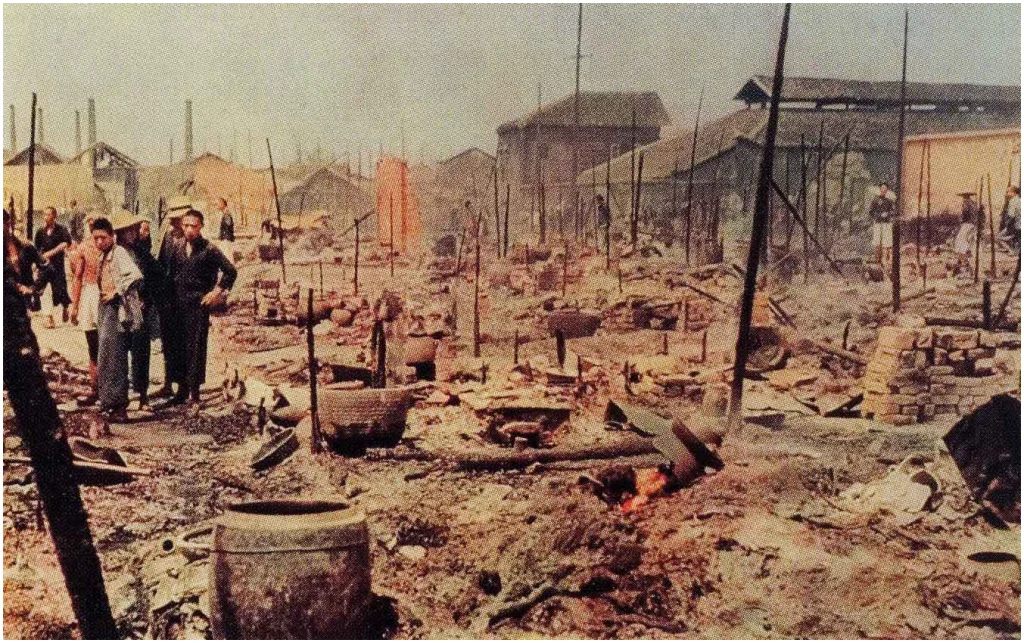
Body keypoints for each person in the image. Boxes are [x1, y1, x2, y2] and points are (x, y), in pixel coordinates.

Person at [165, 208, 237, 408]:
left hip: (198, 305)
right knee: (178, 347)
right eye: (186, 225)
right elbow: (170, 276)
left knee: (196, 347)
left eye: (193, 226)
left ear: (201, 227)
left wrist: (216, 292)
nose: (189, 230)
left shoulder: (209, 249)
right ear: (181, 225)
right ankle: (181, 391)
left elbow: (231, 271)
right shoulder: (177, 247)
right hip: (178, 304)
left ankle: (194, 394)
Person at [93, 216, 144, 422]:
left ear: (112, 236)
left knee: (115, 357)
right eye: (95, 238)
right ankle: (109, 403)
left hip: (117, 309)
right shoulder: (103, 256)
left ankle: (119, 407)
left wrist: (116, 291)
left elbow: (135, 275)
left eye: (102, 238)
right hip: (105, 308)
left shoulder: (119, 253)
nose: (99, 242)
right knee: (105, 355)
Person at [114, 210, 162, 412]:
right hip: (119, 307)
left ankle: (143, 396)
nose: (134, 233)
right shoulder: (113, 252)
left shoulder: (141, 251)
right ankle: (121, 397)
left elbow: (155, 275)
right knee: (119, 353)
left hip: (140, 308)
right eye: (130, 230)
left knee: (141, 351)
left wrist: (146, 299)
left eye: (135, 229)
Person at [153, 196, 191, 400]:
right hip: (167, 296)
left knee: (182, 342)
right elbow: (159, 261)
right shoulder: (167, 235)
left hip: (184, 298)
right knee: (167, 341)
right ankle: (168, 382)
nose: (175, 222)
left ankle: (183, 387)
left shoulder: (190, 239)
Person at [69, 213, 102, 404]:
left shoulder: (111, 244)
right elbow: (77, 277)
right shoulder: (83, 248)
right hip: (90, 294)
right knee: (92, 344)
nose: (92, 227)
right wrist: (75, 306)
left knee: (108, 344)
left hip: (106, 294)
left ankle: (108, 390)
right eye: (90, 224)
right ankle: (95, 388)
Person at [34, 206, 74, 328]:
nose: (46, 217)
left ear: (54, 216)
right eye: (44, 214)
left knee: (60, 290)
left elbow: (65, 243)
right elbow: (37, 249)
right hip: (44, 267)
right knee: (43, 291)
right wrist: (36, 263)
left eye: (48, 214)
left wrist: (50, 253)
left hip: (57, 265)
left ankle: (65, 307)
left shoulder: (61, 230)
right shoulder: (40, 231)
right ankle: (49, 318)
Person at [4, 209, 45, 311]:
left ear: (7, 224)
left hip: (20, 306)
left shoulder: (25, 247)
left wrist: (34, 288)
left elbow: (46, 268)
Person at [868, 182, 896, 267]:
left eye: (885, 188)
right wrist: (880, 215)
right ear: (880, 189)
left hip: (886, 224)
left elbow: (893, 211)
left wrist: (888, 214)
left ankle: (884, 259)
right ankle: (877, 260)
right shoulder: (875, 200)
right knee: (877, 242)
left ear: (887, 190)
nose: (884, 190)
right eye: (882, 188)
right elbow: (871, 212)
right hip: (878, 223)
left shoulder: (889, 201)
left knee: (886, 242)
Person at [953, 192, 979, 276]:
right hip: (972, 225)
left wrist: (960, 221)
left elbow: (964, 215)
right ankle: (964, 264)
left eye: (963, 197)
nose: (963, 199)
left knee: (960, 244)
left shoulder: (966, 204)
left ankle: (964, 265)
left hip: (967, 224)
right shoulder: (974, 204)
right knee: (967, 244)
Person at [1000, 185, 1021, 254]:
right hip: (1019, 225)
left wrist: (1007, 223)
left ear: (1014, 193)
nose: (1005, 194)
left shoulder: (1012, 201)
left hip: (1016, 225)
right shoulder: (1020, 200)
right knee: (1017, 239)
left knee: (999, 237)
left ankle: (1011, 250)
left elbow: (1011, 215)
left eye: (1007, 192)